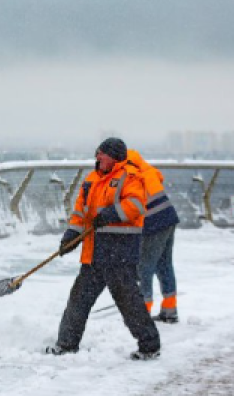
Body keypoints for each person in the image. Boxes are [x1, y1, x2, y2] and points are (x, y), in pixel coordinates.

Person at [46, 138, 161, 360]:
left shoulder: (130, 176)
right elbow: (80, 213)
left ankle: (150, 346)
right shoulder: (91, 180)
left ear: (114, 156)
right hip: (94, 252)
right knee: (79, 298)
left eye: (102, 154)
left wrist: (110, 215)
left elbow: (136, 205)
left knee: (128, 302)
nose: (97, 157)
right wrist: (72, 235)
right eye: (97, 153)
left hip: (119, 253)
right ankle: (66, 344)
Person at [127, 149, 181, 323]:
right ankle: (169, 309)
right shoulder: (147, 169)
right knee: (164, 264)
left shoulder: (130, 174)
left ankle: (143, 313)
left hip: (153, 223)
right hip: (168, 218)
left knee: (144, 268)